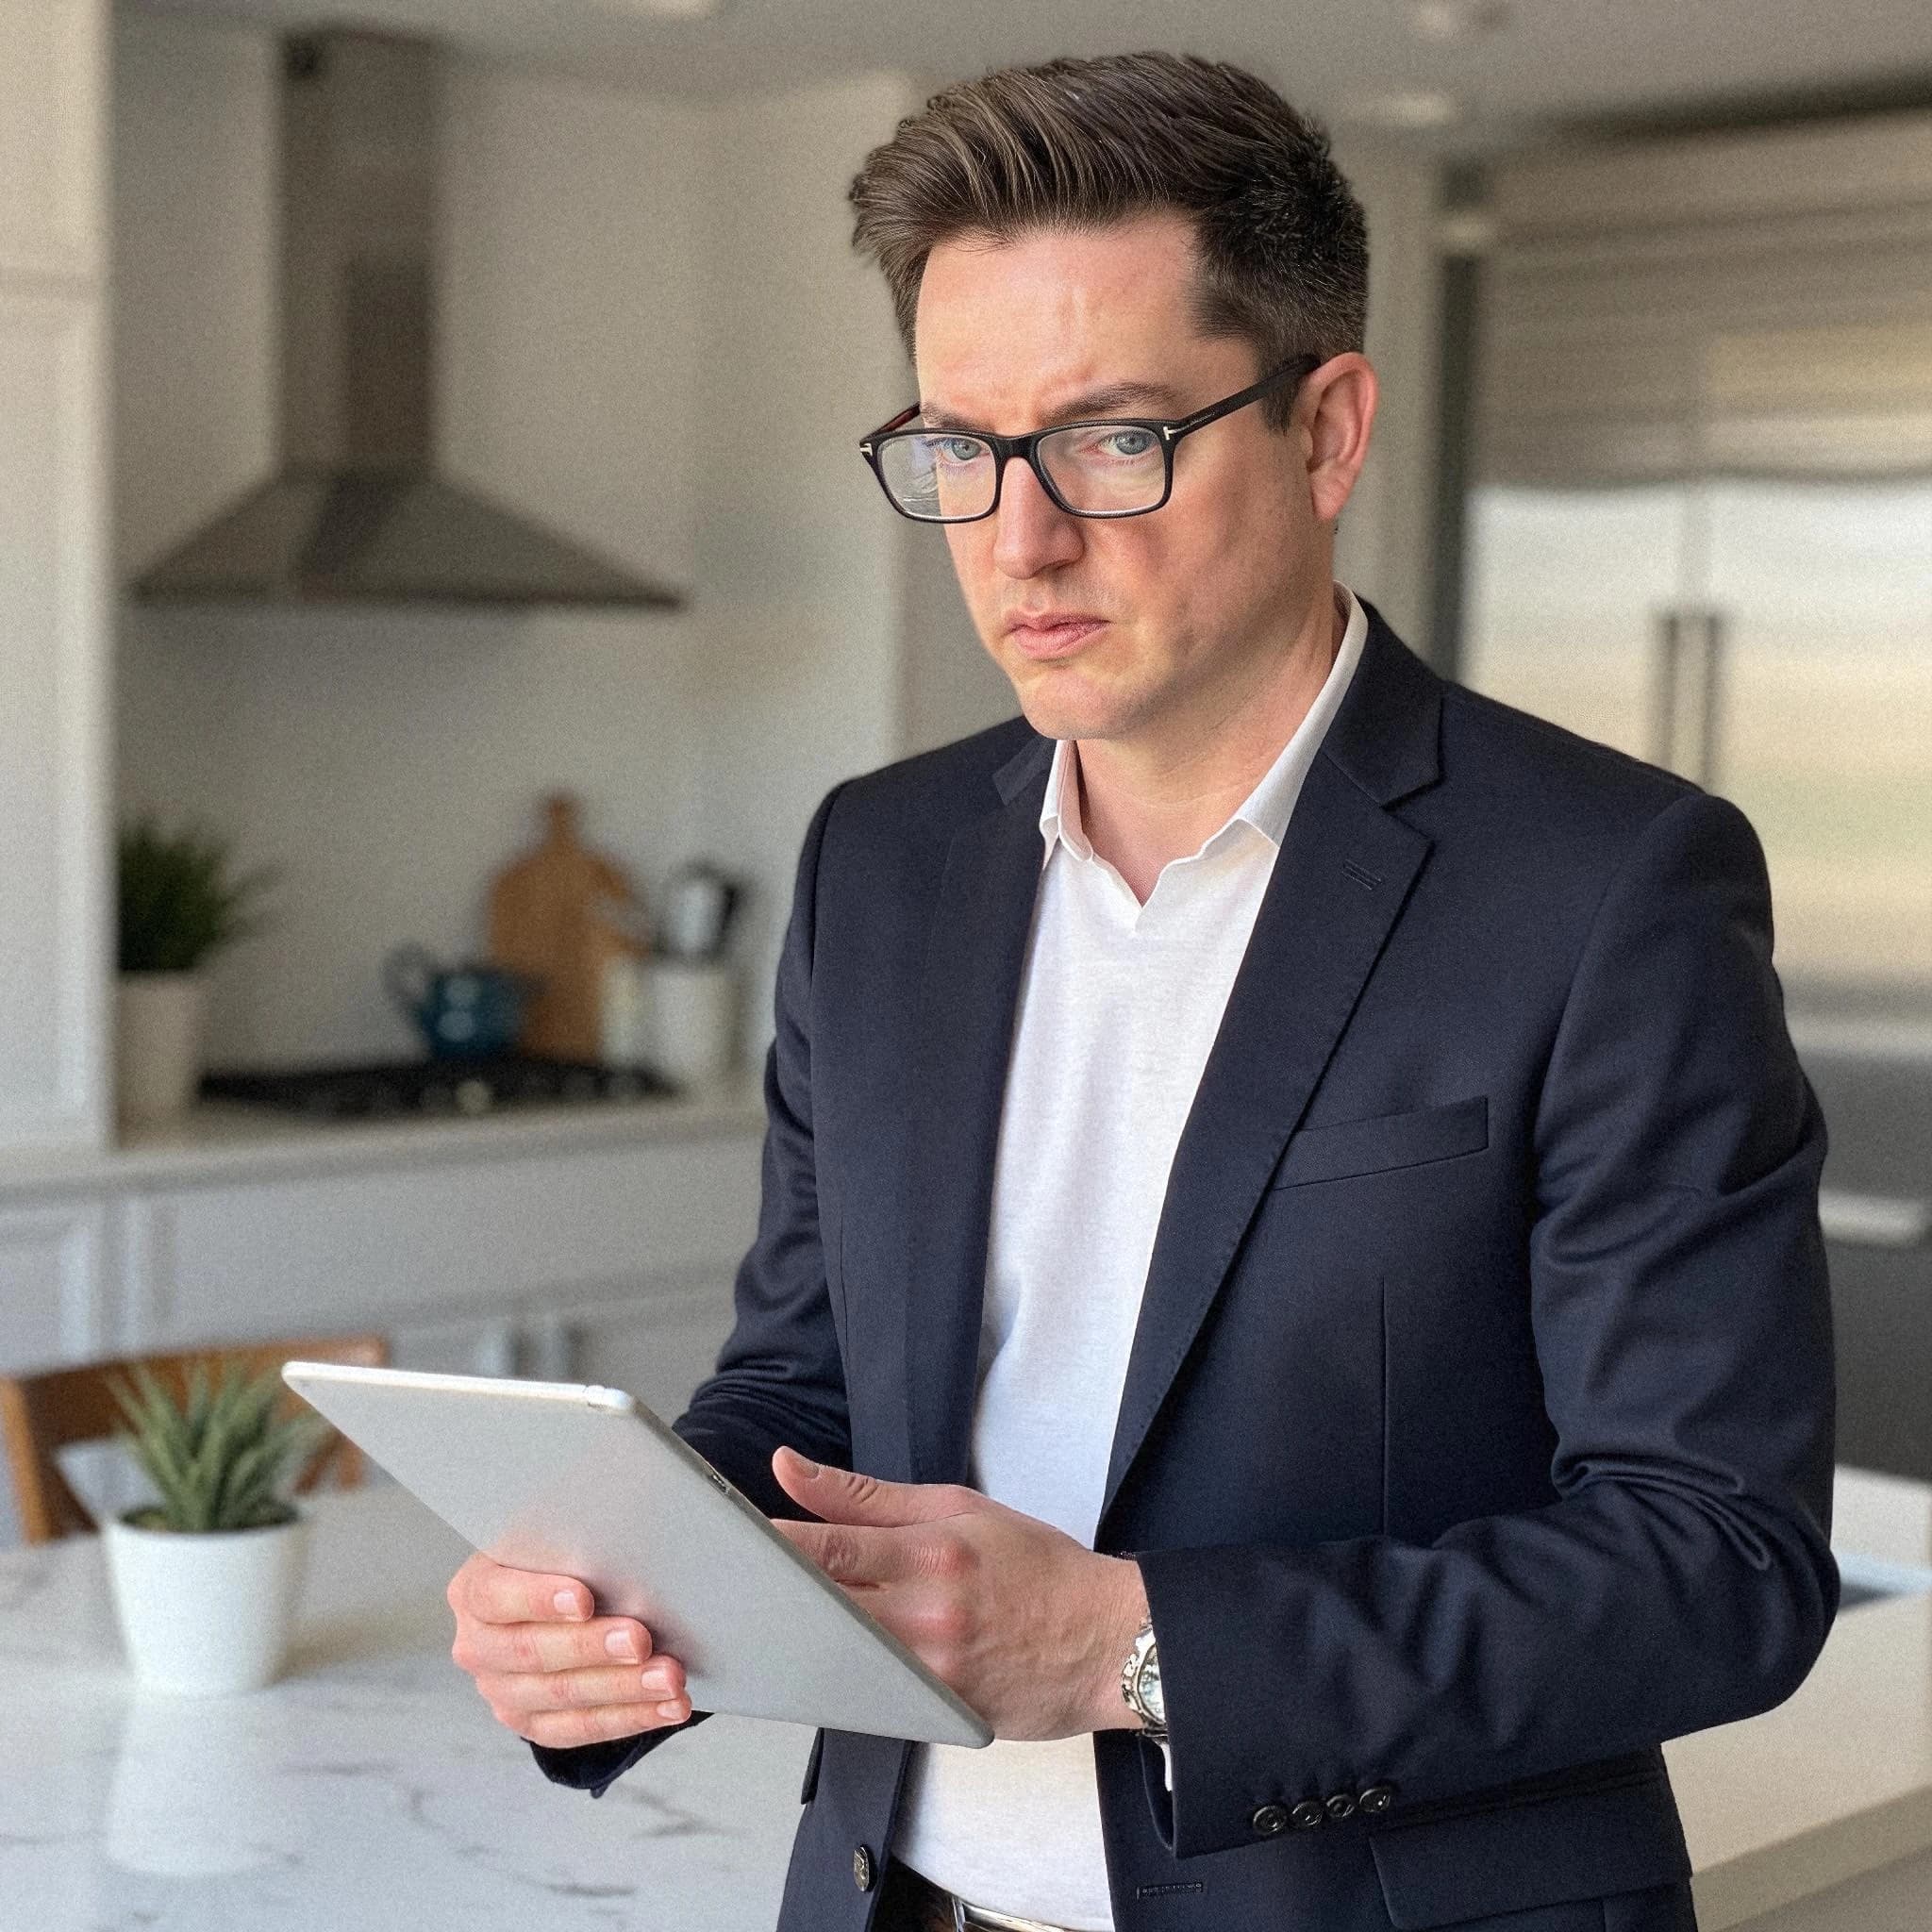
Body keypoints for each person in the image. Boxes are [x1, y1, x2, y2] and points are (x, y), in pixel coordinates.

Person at [445, 52, 1837, 1932]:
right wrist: (611, 1606)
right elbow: (803, 1380)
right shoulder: (882, 861)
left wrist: (1127, 1646)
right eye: (957, 450)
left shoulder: (1606, 886)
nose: (1016, 540)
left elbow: (1717, 1562)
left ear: (1326, 428)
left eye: (1109, 439)